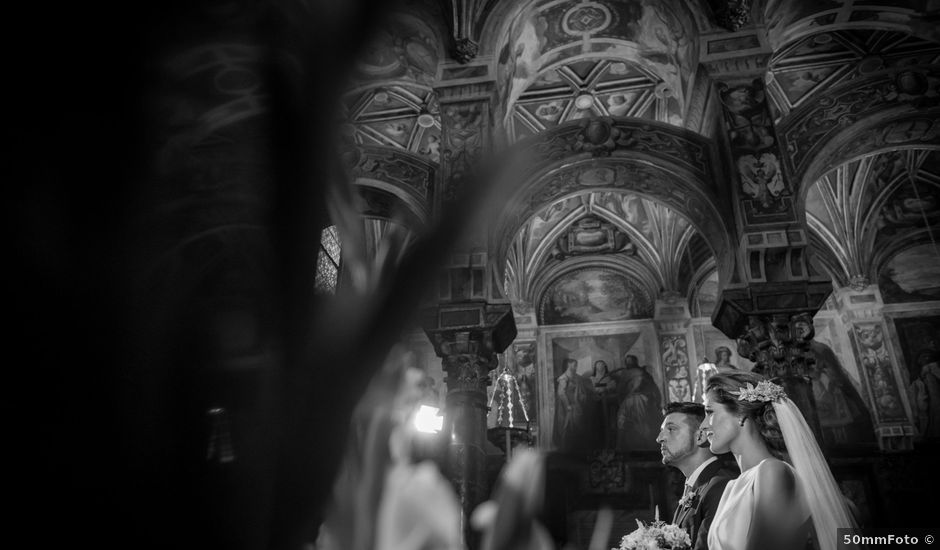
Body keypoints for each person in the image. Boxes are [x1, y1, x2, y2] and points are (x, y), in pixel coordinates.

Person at [703, 372, 858, 550]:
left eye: (709, 412)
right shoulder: (732, 487)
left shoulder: (772, 471)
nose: (703, 425)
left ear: (740, 413)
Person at [657, 402, 737, 550]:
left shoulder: (720, 487)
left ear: (700, 435)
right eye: (662, 431)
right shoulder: (694, 486)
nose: (659, 438)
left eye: (671, 429)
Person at [616, 354, 662, 452]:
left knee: (643, 421)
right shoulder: (626, 373)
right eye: (627, 361)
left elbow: (650, 387)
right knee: (628, 421)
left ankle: (647, 445)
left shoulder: (641, 373)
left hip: (640, 399)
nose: (629, 363)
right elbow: (621, 388)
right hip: (631, 400)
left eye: (630, 361)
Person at [554, 357, 595, 451]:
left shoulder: (577, 377)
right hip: (567, 407)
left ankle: (577, 447)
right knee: (567, 426)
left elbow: (581, 389)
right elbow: (561, 393)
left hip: (576, 405)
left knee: (579, 426)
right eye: (574, 365)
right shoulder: (564, 378)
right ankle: (566, 448)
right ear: (569, 365)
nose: (576, 367)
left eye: (576, 365)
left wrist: (583, 396)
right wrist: (567, 405)